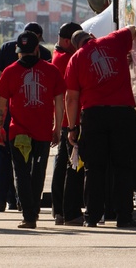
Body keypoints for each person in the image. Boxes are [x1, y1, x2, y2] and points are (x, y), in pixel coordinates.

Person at [64, 26, 136, 228]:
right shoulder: (113, 40)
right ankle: (124, 217)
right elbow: (133, 30)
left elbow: (71, 98)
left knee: (94, 169)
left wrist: (72, 128)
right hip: (122, 113)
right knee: (123, 167)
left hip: (93, 115)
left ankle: (92, 217)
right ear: (91, 36)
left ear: (75, 46)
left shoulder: (76, 59)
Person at [0, 31, 66, 229]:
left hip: (18, 133)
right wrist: (57, 128)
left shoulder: (10, 71)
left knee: (21, 173)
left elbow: (0, 105)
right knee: (38, 173)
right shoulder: (51, 71)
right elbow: (59, 103)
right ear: (37, 49)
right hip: (42, 133)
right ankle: (32, 212)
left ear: (19, 51)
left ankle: (29, 216)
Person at [0, 21, 53, 212]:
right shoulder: (45, 55)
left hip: (12, 116)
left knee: (8, 159)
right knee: (32, 166)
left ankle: (3, 200)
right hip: (36, 119)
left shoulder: (7, 49)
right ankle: (23, 203)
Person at [50, 21, 86, 226]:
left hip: (63, 119)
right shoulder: (68, 59)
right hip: (70, 119)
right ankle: (70, 210)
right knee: (74, 166)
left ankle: (59, 210)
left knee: (61, 165)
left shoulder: (58, 56)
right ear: (66, 41)